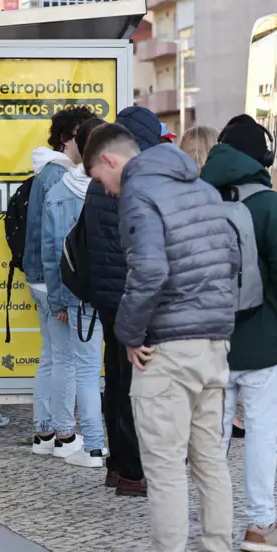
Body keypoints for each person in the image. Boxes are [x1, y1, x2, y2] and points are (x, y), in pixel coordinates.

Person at [86, 123, 239, 552]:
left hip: (169, 348)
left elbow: (150, 270)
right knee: (210, 460)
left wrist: (129, 334)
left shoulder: (139, 192)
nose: (108, 191)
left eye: (101, 179)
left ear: (112, 161)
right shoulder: (201, 188)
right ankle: (216, 546)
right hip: (213, 344)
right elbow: (232, 259)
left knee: (166, 466)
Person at [202, 115, 277, 552]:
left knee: (212, 437)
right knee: (262, 433)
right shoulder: (272, 206)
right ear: (262, 157)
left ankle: (212, 525)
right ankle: (260, 526)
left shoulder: (197, 198)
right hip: (264, 341)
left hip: (209, 340)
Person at [82, 106, 163, 494]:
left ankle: (116, 465)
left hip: (107, 299)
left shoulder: (99, 181)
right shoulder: (135, 181)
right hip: (132, 301)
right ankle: (133, 471)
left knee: (114, 382)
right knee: (135, 389)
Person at [23, 106, 95, 446]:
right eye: (81, 135)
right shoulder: (62, 175)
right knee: (64, 357)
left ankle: (44, 430)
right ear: (68, 138)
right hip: (53, 279)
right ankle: (64, 434)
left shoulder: (46, 170)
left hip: (37, 275)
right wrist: (61, 294)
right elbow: (59, 243)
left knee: (51, 355)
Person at [43, 116, 106, 466]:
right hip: (118, 294)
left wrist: (60, 301)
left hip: (81, 296)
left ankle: (94, 446)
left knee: (84, 368)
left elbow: (54, 255)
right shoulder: (118, 184)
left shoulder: (59, 191)